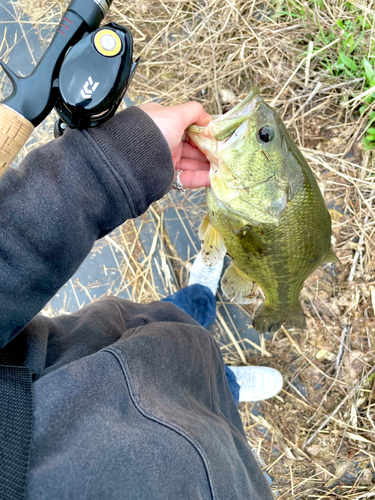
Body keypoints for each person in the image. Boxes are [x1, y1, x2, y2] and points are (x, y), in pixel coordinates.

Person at [0, 100, 281, 499]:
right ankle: (228, 392)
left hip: (116, 343)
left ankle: (201, 311)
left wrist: (112, 163)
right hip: (223, 456)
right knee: (213, 404)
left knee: (170, 322)